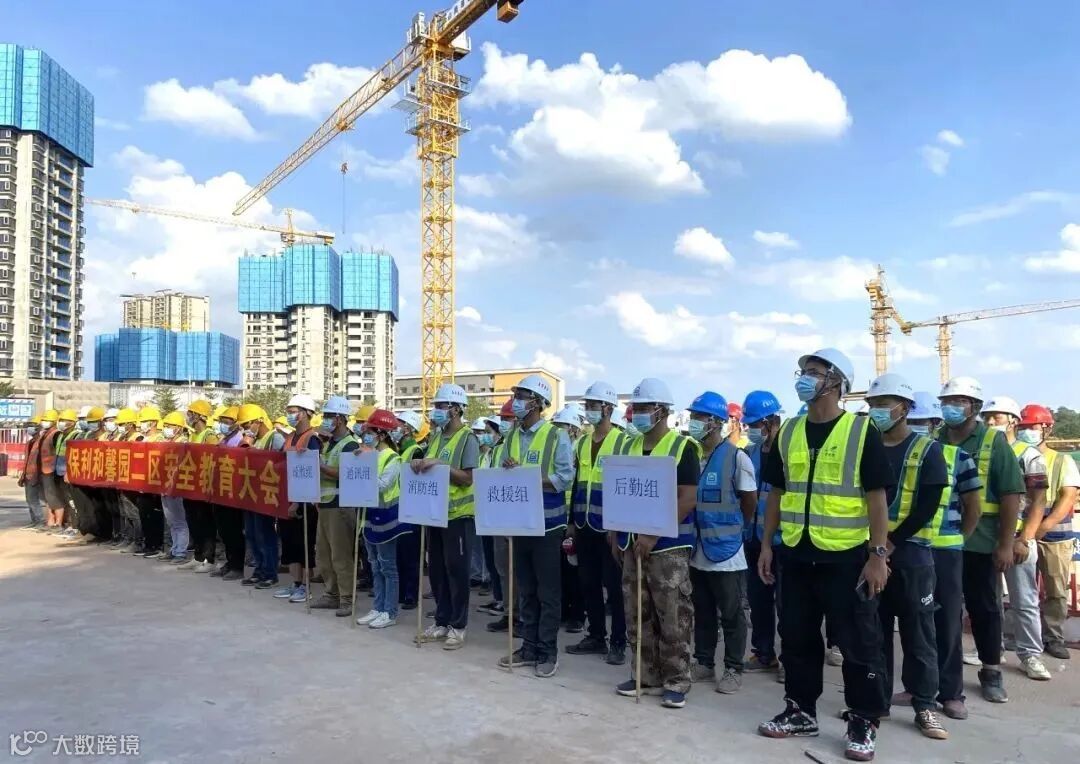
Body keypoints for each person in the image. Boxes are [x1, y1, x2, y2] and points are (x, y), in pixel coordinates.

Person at [756, 348, 891, 763]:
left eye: (813, 372)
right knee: (796, 637)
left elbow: (877, 498)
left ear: (836, 382)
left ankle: (863, 719)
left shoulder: (860, 431)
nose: (804, 378)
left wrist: (878, 555)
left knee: (858, 643)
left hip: (846, 557)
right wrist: (767, 544)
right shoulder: (790, 431)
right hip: (796, 554)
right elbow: (777, 494)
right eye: (803, 371)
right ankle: (800, 710)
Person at [864, 374, 950, 740]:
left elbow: (928, 504)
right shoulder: (866, 445)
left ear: (904, 408)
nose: (877, 410)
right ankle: (876, 702)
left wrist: (891, 541)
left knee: (919, 633)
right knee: (875, 631)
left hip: (911, 554)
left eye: (884, 404)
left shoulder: (927, 450)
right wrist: (877, 548)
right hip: (872, 554)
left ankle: (925, 705)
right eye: (873, 404)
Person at [894, 391, 982, 721]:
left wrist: (959, 539)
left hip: (945, 551)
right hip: (910, 548)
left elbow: (973, 506)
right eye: (913, 421)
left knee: (946, 624)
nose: (918, 427)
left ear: (935, 424)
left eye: (924, 422)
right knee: (913, 621)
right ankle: (915, 687)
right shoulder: (899, 455)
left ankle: (951, 693)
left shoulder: (957, 457)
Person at [936, 377, 1025, 702]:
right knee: (941, 610)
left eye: (959, 402)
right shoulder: (934, 439)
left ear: (974, 407)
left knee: (984, 608)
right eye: (947, 401)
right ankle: (941, 675)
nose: (951, 407)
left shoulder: (992, 442)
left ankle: (991, 671)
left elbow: (1011, 494)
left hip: (981, 542)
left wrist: (1005, 543)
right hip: (941, 540)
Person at [613, 377, 699, 709]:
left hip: (668, 547)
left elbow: (687, 498)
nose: (636, 414)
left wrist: (652, 534)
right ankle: (645, 675)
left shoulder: (682, 448)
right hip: (632, 544)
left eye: (643, 408)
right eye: (635, 408)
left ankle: (677, 679)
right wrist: (617, 533)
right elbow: (621, 493)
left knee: (672, 614)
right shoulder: (628, 447)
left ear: (661, 411)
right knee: (637, 613)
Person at [496, 374, 574, 678]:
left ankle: (547, 651)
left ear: (538, 403)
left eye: (522, 396)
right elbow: (503, 477)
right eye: (516, 395)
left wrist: (529, 477)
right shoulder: (512, 437)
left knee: (547, 591)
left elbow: (565, 478)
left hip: (548, 524)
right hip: (519, 523)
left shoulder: (556, 436)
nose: (516, 401)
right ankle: (528, 646)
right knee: (525, 589)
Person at [686, 391, 757, 695]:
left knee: (731, 613)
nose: (694, 422)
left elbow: (749, 500)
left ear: (715, 422)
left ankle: (733, 667)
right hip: (698, 548)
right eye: (693, 416)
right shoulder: (692, 456)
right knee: (702, 612)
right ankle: (703, 663)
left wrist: (738, 529)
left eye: (699, 417)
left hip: (727, 551)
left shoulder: (736, 457)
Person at [981, 396, 1051, 681]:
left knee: (1024, 600)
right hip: (987, 537)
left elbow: (1038, 501)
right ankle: (992, 648)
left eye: (996, 417)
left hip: (1019, 537)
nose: (990, 422)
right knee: (989, 599)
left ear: (1012, 421)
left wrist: (1025, 538)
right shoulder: (983, 451)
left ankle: (1030, 654)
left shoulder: (1028, 455)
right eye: (987, 417)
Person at [414, 383, 479, 650]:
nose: (436, 411)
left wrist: (442, 465)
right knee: (438, 570)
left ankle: (458, 625)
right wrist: (419, 464)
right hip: (435, 513)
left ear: (455, 409)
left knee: (457, 571)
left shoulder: (468, 439)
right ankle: (441, 621)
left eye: (441, 406)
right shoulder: (436, 437)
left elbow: (468, 478)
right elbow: (429, 466)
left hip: (458, 516)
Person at [568, 381, 629, 666]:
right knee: (588, 583)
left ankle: (618, 642)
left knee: (614, 588)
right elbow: (577, 483)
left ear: (607, 408)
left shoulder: (622, 442)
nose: (588, 410)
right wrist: (571, 521)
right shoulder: (582, 442)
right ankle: (595, 636)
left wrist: (619, 526)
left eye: (592, 405)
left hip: (610, 529)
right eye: (587, 406)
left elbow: (626, 487)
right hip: (584, 524)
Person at [1017, 404, 1079, 660]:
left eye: (1031, 426)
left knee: (1055, 589)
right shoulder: (1017, 455)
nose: (1026, 431)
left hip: (1054, 535)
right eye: (1022, 427)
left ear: (1046, 429)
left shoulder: (1062, 460)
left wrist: (1042, 527)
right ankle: (1023, 637)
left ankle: (1053, 637)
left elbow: (1068, 497)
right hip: (1023, 533)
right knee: (1023, 589)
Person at [740, 390, 785, 681]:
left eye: (755, 424)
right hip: (754, 538)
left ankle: (790, 658)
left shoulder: (789, 450)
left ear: (769, 422)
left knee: (788, 605)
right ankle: (764, 653)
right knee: (759, 600)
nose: (751, 430)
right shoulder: (750, 452)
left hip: (783, 539)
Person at [356, 408, 413, 629]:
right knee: (374, 565)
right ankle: (378, 607)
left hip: (387, 518)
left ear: (381, 434)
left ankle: (389, 612)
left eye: (370, 432)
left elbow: (383, 485)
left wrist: (361, 470)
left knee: (388, 567)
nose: (365, 436)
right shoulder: (369, 455)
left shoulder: (392, 458)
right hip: (369, 516)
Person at [309, 396, 361, 617]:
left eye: (329, 416)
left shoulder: (350, 445)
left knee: (341, 555)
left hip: (340, 506)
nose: (325, 420)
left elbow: (345, 474)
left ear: (339, 419)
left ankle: (347, 598)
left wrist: (319, 466)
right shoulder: (330, 443)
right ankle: (331, 594)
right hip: (325, 504)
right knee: (323, 554)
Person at [277, 394, 323, 604]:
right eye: (288, 411)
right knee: (290, 544)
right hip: (288, 497)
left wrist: (297, 502)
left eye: (293, 411)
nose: (290, 415)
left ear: (306, 414)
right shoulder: (289, 438)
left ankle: (306, 586)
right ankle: (295, 583)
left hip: (305, 501)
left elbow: (311, 473)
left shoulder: (312, 439)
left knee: (304, 544)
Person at [237, 404, 285, 589]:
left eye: (247, 424)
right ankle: (259, 569)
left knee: (265, 533)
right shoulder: (253, 440)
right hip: (251, 493)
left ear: (258, 421)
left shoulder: (275, 438)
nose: (245, 429)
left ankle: (270, 573)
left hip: (266, 495)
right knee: (251, 533)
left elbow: (281, 463)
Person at [487, 397, 523, 635]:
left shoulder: (524, 444)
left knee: (519, 570)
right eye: (502, 418)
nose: (504, 422)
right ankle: (510, 612)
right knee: (503, 567)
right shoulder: (499, 448)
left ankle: (523, 616)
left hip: (519, 515)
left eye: (508, 418)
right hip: (498, 515)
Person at [177, 400, 220, 573]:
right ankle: (198, 556)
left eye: (190, 413)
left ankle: (209, 559)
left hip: (203, 486)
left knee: (206, 523)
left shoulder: (209, 436)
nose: (188, 416)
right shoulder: (192, 435)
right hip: (189, 484)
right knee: (193, 521)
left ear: (199, 415)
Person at [210, 406, 247, 581]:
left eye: (227, 422)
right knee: (224, 529)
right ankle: (229, 562)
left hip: (233, 492)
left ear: (236, 423)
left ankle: (237, 566)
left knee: (234, 530)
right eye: (221, 421)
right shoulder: (224, 439)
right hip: (221, 490)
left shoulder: (240, 440)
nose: (223, 425)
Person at [474, 416, 506, 618]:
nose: (484, 436)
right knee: (491, 559)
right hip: (484, 511)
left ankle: (505, 602)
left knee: (501, 562)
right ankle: (498, 597)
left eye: (488, 432)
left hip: (498, 513)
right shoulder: (485, 454)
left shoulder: (502, 450)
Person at [394, 409, 425, 611]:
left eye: (399, 424)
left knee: (410, 555)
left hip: (412, 510)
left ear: (408, 428)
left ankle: (411, 594)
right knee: (399, 554)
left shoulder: (416, 451)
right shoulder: (399, 450)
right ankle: (401, 591)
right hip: (398, 507)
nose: (394, 428)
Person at [131, 407, 167, 559]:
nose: (143, 424)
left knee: (154, 515)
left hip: (154, 484)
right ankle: (148, 543)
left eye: (145, 421)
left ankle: (156, 545)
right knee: (144, 514)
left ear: (153, 423)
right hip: (141, 483)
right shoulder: (142, 439)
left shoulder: (160, 439)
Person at [157, 411, 192, 564]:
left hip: (176, 487)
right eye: (166, 425)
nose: (167, 428)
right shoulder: (165, 442)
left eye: (170, 426)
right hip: (164, 485)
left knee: (179, 521)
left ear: (178, 428)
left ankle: (181, 552)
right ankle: (174, 548)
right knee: (171, 521)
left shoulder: (183, 442)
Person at [18, 415, 45, 529]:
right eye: (29, 426)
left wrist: (38, 475)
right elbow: (27, 460)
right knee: (29, 499)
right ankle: (34, 520)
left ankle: (40, 521)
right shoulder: (30, 442)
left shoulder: (41, 442)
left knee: (34, 499)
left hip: (37, 475)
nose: (30, 428)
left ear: (39, 428)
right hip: (28, 475)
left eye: (32, 426)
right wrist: (23, 476)